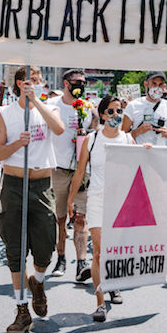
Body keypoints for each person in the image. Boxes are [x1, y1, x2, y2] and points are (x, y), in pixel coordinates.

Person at [0, 66, 65, 333]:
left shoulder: (49, 109)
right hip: (14, 185)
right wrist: (15, 145)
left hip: (42, 184)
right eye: (29, 81)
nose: (34, 84)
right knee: (15, 248)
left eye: (37, 81)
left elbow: (58, 129)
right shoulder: (4, 114)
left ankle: (39, 282)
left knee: (46, 245)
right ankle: (22, 310)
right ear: (18, 84)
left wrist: (35, 101)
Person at [67, 95, 150, 321]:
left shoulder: (127, 140)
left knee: (116, 250)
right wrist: (71, 199)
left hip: (121, 202)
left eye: (119, 111)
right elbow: (81, 171)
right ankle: (100, 301)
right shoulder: (92, 140)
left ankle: (113, 284)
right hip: (97, 198)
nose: (116, 115)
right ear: (102, 115)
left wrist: (148, 151)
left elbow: (138, 169)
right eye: (111, 112)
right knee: (100, 252)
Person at [123, 71, 167, 248]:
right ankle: (145, 234)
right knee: (144, 199)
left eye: (160, 84)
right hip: (141, 158)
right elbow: (122, 136)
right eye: (153, 83)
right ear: (146, 85)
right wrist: (138, 131)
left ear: (164, 87)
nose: (157, 88)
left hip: (165, 158)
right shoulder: (133, 106)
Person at [48, 69, 97, 281]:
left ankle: (81, 262)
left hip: (81, 171)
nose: (81, 85)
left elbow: (95, 134)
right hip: (58, 168)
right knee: (59, 218)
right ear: (66, 83)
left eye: (83, 82)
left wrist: (88, 132)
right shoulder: (52, 106)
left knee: (80, 217)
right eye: (77, 82)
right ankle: (60, 258)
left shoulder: (88, 107)